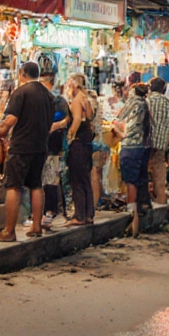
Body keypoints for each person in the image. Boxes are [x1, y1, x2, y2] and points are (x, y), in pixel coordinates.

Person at [0, 62, 55, 242]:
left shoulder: (21, 93)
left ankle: (9, 231)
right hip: (40, 146)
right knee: (36, 185)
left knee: (13, 186)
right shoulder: (48, 95)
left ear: (22, 73)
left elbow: (11, 119)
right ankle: (36, 226)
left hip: (21, 146)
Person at [113, 83, 151, 236]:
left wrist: (116, 129)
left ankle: (132, 216)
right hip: (141, 147)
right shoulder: (144, 104)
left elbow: (118, 118)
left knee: (131, 181)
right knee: (139, 180)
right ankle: (141, 212)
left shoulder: (134, 102)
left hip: (130, 146)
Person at [38, 69, 70, 230]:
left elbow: (67, 118)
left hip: (54, 147)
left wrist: (54, 126)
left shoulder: (58, 100)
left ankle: (50, 212)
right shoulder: (42, 99)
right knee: (45, 181)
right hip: (42, 146)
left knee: (51, 180)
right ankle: (46, 212)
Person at [64, 75, 96, 226]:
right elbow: (89, 117)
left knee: (76, 179)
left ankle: (79, 215)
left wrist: (69, 136)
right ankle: (89, 214)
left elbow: (77, 119)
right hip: (87, 142)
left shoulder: (77, 100)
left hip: (78, 143)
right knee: (85, 180)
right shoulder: (86, 98)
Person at [145, 78, 169, 206]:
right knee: (159, 178)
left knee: (144, 176)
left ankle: (146, 204)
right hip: (160, 146)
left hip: (145, 145)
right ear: (164, 89)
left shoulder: (146, 101)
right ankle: (160, 204)